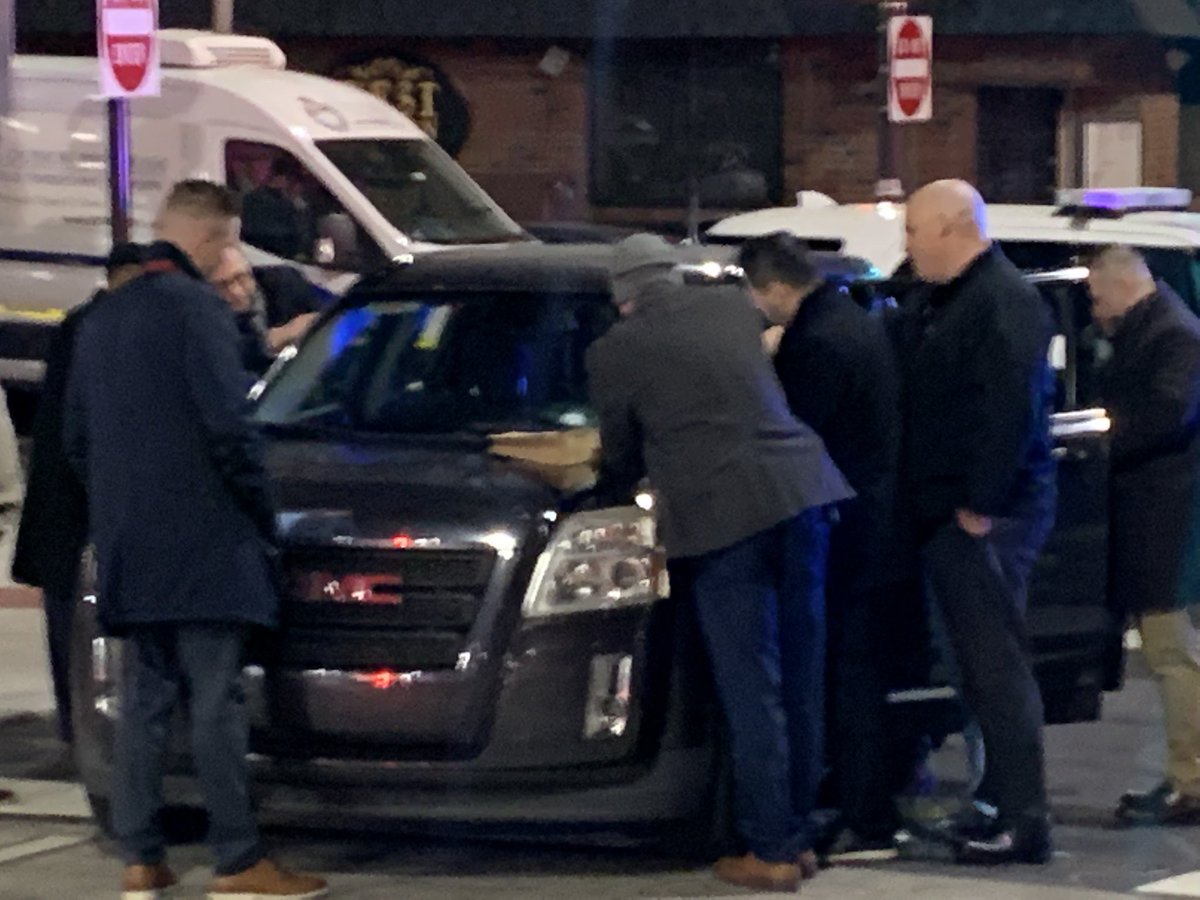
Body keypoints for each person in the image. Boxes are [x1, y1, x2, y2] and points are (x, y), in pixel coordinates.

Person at [64, 180, 327, 899]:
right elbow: (230, 429)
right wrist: (261, 512)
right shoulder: (198, 312)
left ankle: (141, 858)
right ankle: (239, 859)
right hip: (206, 540)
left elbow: (75, 438)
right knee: (216, 699)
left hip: (129, 541)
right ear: (213, 237)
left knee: (146, 699)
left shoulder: (100, 320)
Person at [588, 234, 854, 892]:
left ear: (622, 298)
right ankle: (798, 838)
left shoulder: (615, 349)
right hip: (803, 493)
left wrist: (615, 480)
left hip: (725, 517)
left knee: (750, 685)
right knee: (799, 673)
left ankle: (769, 851)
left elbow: (620, 446)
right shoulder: (734, 306)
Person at [738, 233, 928, 856]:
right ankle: (873, 799)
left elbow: (794, 433)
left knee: (849, 677)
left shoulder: (813, 343)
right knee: (866, 671)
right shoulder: (852, 319)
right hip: (880, 519)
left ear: (774, 288)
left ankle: (866, 814)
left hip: (850, 529)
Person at [899, 179, 1057, 864]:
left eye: (913, 231)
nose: (907, 245)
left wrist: (980, 505)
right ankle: (997, 800)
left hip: (987, 517)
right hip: (956, 512)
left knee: (996, 669)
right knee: (976, 668)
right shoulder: (954, 298)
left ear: (949, 228)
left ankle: (1023, 817)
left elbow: (1010, 411)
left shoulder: (1004, 302)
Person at [12, 243, 145, 748]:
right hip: (75, 519)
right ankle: (83, 737)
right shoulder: (97, 329)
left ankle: (78, 733)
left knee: (70, 637)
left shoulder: (85, 326)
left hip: (62, 518)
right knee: (77, 636)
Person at [1086, 245, 1200, 826]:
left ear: (1124, 285)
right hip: (1155, 512)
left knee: (1170, 651)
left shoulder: (1174, 335)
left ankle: (1193, 779)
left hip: (1165, 515)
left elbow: (1167, 411)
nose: (1094, 307)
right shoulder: (1161, 327)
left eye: (1097, 295)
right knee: (1169, 650)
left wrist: (1104, 439)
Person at [210, 246, 321, 375]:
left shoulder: (286, 282)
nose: (236, 292)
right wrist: (272, 339)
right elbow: (224, 358)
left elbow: (322, 319)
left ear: (250, 272)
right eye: (221, 286)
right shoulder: (207, 314)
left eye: (240, 278)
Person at [241, 157, 311, 261]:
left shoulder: (250, 198)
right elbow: (291, 239)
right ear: (284, 179)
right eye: (293, 181)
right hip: (279, 259)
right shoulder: (280, 205)